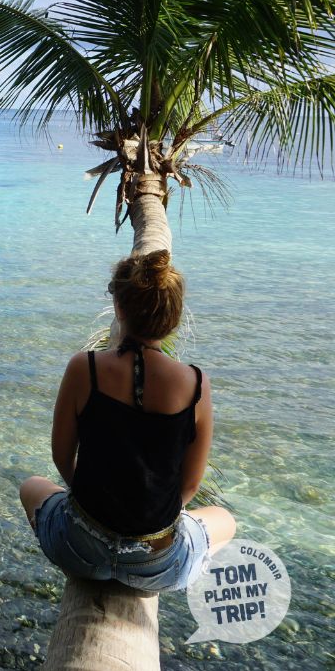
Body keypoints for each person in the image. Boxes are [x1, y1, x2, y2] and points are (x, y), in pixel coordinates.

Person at [19, 250, 236, 592]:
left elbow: (61, 457)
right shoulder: (196, 385)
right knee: (225, 521)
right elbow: (191, 485)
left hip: (80, 550)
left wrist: (93, 503)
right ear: (174, 318)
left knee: (31, 486)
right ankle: (175, 568)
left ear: (119, 309)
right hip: (155, 563)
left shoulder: (84, 368)